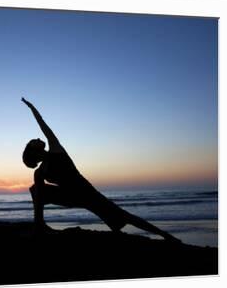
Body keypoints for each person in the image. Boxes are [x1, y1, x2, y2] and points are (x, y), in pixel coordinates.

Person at [21, 97, 180, 242]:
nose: (37, 138)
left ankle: (165, 235)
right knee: (36, 187)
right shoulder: (47, 159)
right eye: (33, 141)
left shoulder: (52, 155)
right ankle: (39, 226)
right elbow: (43, 124)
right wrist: (32, 108)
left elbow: (42, 125)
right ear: (34, 151)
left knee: (124, 217)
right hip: (71, 195)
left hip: (86, 193)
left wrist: (31, 108)